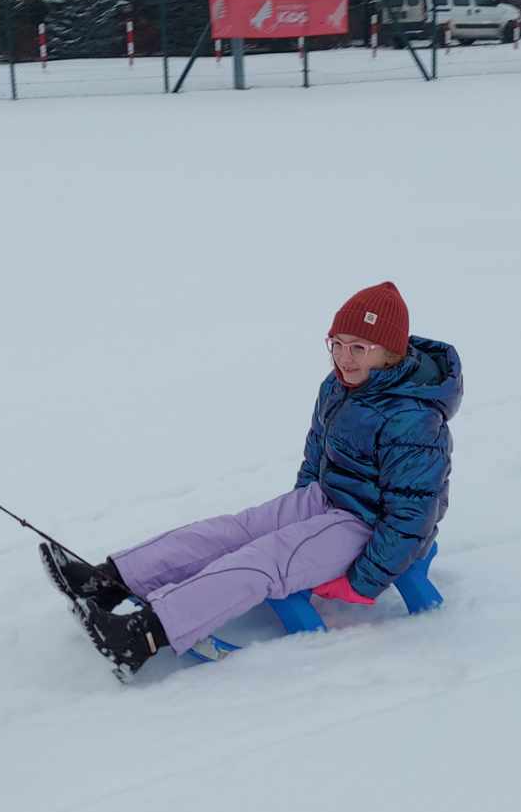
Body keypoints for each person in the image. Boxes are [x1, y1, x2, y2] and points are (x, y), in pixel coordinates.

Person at [43, 282, 461, 679]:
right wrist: (301, 509)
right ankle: (108, 581)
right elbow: (318, 449)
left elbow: (412, 514)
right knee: (234, 531)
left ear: (389, 353)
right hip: (326, 499)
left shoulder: (414, 418)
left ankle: (143, 637)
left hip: (370, 525)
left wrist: (364, 581)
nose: (344, 357)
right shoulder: (338, 387)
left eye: (358, 348)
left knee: (266, 561)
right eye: (336, 344)